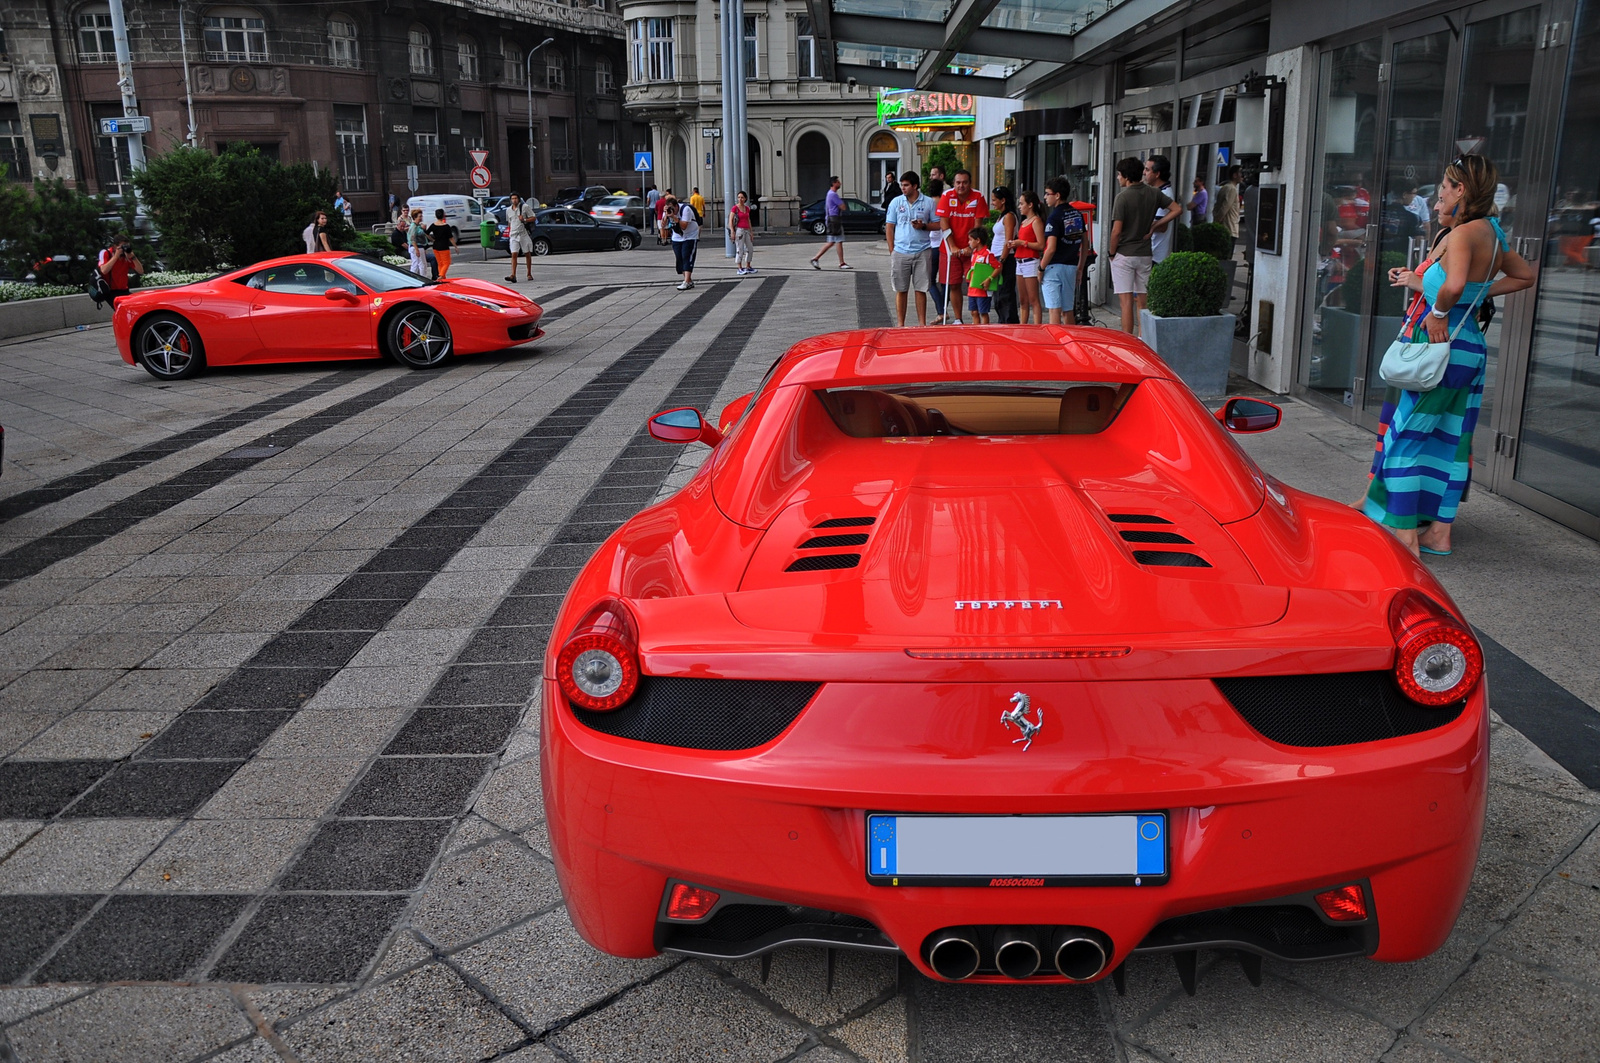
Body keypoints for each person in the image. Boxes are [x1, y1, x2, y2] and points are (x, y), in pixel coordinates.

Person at [1361, 154, 1535, 557]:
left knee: (1405, 439)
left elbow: (1454, 285)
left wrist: (1440, 313)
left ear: (1461, 190)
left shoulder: (1461, 235)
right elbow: (1525, 275)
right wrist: (1475, 297)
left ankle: (1405, 538)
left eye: (1444, 186)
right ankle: (1438, 534)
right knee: (1452, 441)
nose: (1439, 192)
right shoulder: (1492, 232)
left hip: (1443, 346)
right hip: (1470, 346)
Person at [1108, 157, 1179, 336]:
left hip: (1124, 253)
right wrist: (1154, 225)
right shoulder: (1153, 193)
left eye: (1119, 174)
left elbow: (1116, 231)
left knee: (1125, 303)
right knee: (1143, 301)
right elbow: (1177, 209)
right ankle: (1143, 340)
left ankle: (1127, 341)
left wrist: (1111, 252)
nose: (1118, 178)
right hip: (1145, 253)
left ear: (1126, 176)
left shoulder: (1122, 197)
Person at [934, 169, 989, 324]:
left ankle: (976, 317)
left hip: (972, 249)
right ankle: (958, 318)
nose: (961, 186)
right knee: (953, 284)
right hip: (949, 249)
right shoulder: (946, 196)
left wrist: (971, 247)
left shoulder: (978, 196)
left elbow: (978, 225)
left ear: (969, 183)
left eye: (965, 182)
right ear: (953, 183)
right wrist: (952, 246)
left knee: (975, 283)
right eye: (958, 182)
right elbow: (944, 222)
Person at [883, 170, 935, 327]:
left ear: (915, 185)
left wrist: (923, 226)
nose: (903, 188)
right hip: (901, 251)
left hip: (923, 250)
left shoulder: (928, 202)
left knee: (921, 289)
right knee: (901, 289)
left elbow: (938, 224)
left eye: (906, 185)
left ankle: (922, 324)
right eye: (901, 185)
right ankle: (900, 324)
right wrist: (892, 250)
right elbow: (890, 227)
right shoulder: (896, 202)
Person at [1040, 177, 1087, 326]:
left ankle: (1055, 345)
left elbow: (1051, 248)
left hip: (1054, 267)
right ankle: (1071, 343)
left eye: (1048, 194)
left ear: (1057, 195)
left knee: (1054, 309)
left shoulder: (1054, 218)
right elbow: (1085, 243)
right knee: (1068, 310)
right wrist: (1080, 267)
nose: (1045, 197)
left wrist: (1041, 267)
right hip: (1071, 266)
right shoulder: (1077, 214)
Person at [1009, 190, 1045, 324]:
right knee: (1023, 299)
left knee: (1033, 299)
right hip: (1020, 261)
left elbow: (1041, 245)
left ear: (1030, 205)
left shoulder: (1036, 221)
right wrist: (1015, 244)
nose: (1019, 206)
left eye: (1021, 203)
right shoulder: (1024, 222)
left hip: (1031, 261)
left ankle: (1037, 327)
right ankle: (1022, 325)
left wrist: (1022, 243)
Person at [989, 187, 1019, 325]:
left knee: (1005, 292)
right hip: (996, 257)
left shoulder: (1009, 217)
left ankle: (1009, 321)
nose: (992, 202)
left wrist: (1002, 260)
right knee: (999, 293)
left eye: (994, 200)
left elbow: (1008, 241)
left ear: (1003, 200)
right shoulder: (1002, 216)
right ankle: (1002, 320)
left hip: (1005, 258)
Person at [810, 176, 850, 270]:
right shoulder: (833, 195)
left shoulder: (829, 194)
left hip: (831, 220)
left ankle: (815, 258)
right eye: (838, 182)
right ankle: (842, 263)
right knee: (838, 241)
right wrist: (842, 204)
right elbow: (843, 207)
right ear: (834, 183)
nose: (840, 183)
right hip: (834, 220)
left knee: (831, 242)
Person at [965, 226, 1002, 325]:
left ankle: (984, 330)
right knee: (974, 311)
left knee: (983, 312)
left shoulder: (987, 254)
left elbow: (998, 267)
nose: (969, 242)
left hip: (983, 290)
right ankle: (976, 330)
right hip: (973, 288)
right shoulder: (974, 253)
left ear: (978, 240)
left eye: (970, 240)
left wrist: (989, 279)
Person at [923, 166, 947, 318]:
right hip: (944, 244)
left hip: (932, 244)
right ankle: (944, 305)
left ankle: (941, 311)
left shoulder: (930, 203)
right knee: (944, 280)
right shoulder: (945, 201)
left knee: (929, 281)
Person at [96, 232, 144, 306]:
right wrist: (116, 256)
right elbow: (104, 270)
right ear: (115, 246)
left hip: (124, 289)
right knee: (121, 308)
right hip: (110, 291)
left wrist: (133, 257)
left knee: (135, 306)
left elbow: (141, 271)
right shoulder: (106, 253)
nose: (125, 248)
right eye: (123, 246)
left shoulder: (127, 256)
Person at [1145, 155, 1176, 264]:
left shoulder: (1165, 194)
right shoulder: (1157, 192)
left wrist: (1137, 225)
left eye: (1147, 170)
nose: (1144, 173)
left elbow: (1162, 226)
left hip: (1156, 254)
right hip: (1151, 252)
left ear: (1157, 174)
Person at [669, 193, 699, 290]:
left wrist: (674, 217)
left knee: (687, 256)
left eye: (672, 208)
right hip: (677, 237)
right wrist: (666, 215)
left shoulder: (685, 209)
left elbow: (684, 226)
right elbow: (663, 225)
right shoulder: (667, 211)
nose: (671, 210)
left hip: (690, 235)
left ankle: (686, 281)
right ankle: (689, 280)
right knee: (680, 258)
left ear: (676, 206)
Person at [504, 193, 535, 283]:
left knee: (527, 253)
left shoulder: (524, 207)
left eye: (516, 198)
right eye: (512, 198)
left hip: (523, 234)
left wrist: (524, 220)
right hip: (513, 234)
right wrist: (509, 231)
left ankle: (529, 273)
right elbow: (509, 222)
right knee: (514, 254)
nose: (514, 200)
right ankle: (513, 275)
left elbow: (533, 217)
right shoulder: (508, 210)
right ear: (510, 200)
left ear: (519, 199)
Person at [1215, 165, 1243, 253]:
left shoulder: (1226, 187)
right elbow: (1225, 206)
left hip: (1226, 225)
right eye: (1241, 173)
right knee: (1227, 254)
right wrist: (1218, 218)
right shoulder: (1231, 189)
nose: (1243, 176)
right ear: (1235, 175)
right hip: (1229, 227)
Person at [730, 190, 756, 275]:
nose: (740, 199)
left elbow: (748, 220)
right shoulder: (735, 208)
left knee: (750, 248)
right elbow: (731, 220)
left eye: (742, 197)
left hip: (747, 230)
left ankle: (748, 265)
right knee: (740, 249)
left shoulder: (747, 208)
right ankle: (739, 267)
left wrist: (751, 232)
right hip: (739, 230)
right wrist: (732, 231)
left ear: (745, 199)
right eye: (739, 197)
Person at [428, 208, 457, 280]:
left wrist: (432, 239)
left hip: (435, 246)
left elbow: (426, 233)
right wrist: (455, 246)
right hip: (444, 246)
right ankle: (441, 275)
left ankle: (442, 277)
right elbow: (451, 238)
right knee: (446, 262)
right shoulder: (446, 226)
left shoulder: (433, 225)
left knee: (440, 263)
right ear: (443, 215)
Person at [407, 207, 428, 277]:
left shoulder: (418, 226)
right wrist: (416, 250)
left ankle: (422, 276)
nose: (421, 217)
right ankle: (416, 277)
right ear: (415, 217)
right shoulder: (414, 226)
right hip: (416, 247)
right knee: (417, 264)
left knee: (422, 264)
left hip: (420, 247)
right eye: (420, 216)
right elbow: (412, 238)